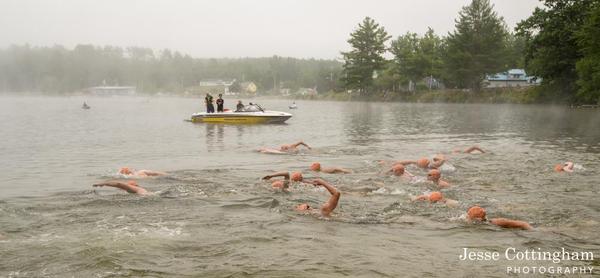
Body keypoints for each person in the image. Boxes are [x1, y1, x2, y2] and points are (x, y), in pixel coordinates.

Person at [467, 206, 532, 230]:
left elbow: (523, 224)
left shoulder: (498, 222)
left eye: (469, 216)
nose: (467, 217)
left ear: (478, 219)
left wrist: (533, 230)